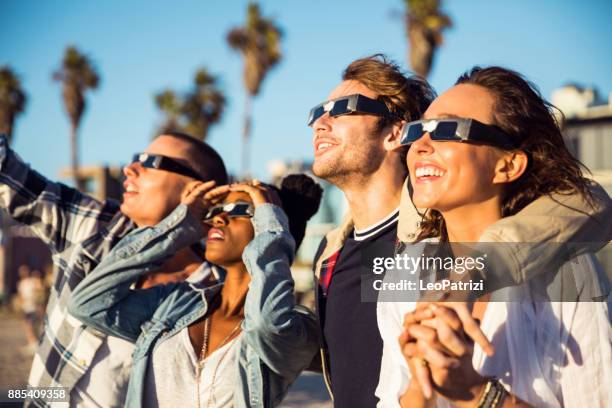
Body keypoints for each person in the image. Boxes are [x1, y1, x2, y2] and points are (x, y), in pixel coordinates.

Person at [307, 54, 612, 407]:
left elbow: (592, 203)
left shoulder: (566, 272)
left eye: (449, 130)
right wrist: (424, 376)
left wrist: (476, 393)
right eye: (418, 130)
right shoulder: (399, 269)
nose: (420, 144)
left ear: (509, 164)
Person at [0, 131, 227, 407]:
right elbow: (6, 172)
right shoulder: (93, 224)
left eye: (151, 162)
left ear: (198, 189)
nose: (129, 169)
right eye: (134, 159)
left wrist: (180, 226)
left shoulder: (211, 292)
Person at [68, 175, 323, 407]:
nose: (217, 218)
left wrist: (271, 227)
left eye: (239, 209)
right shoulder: (176, 303)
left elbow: (266, 324)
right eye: (216, 210)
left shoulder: (296, 328)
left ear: (273, 224)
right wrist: (181, 225)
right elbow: (87, 304)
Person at [17, 265, 45, 349]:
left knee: (31, 325)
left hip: (33, 307)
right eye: (21, 271)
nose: (23, 273)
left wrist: (37, 301)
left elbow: (39, 289)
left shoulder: (31, 281)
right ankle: (31, 342)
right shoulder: (20, 283)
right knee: (27, 325)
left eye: (24, 271)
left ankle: (34, 342)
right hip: (26, 307)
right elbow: (21, 296)